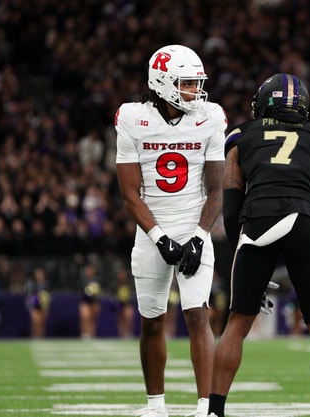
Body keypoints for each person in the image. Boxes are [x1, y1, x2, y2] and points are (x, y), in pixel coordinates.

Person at [208, 74, 310, 417]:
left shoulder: (240, 137)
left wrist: (243, 260)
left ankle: (215, 411)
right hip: (303, 221)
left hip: (257, 221)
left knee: (237, 322)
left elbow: (231, 210)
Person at [115, 44, 226, 417]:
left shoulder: (210, 117)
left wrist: (199, 237)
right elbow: (129, 195)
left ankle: (206, 407)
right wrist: (159, 237)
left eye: (196, 83)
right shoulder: (133, 118)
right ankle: (155, 406)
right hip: (151, 228)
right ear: (163, 83)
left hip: (195, 226)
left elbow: (217, 190)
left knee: (198, 314)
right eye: (188, 84)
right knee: (152, 321)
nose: (195, 91)